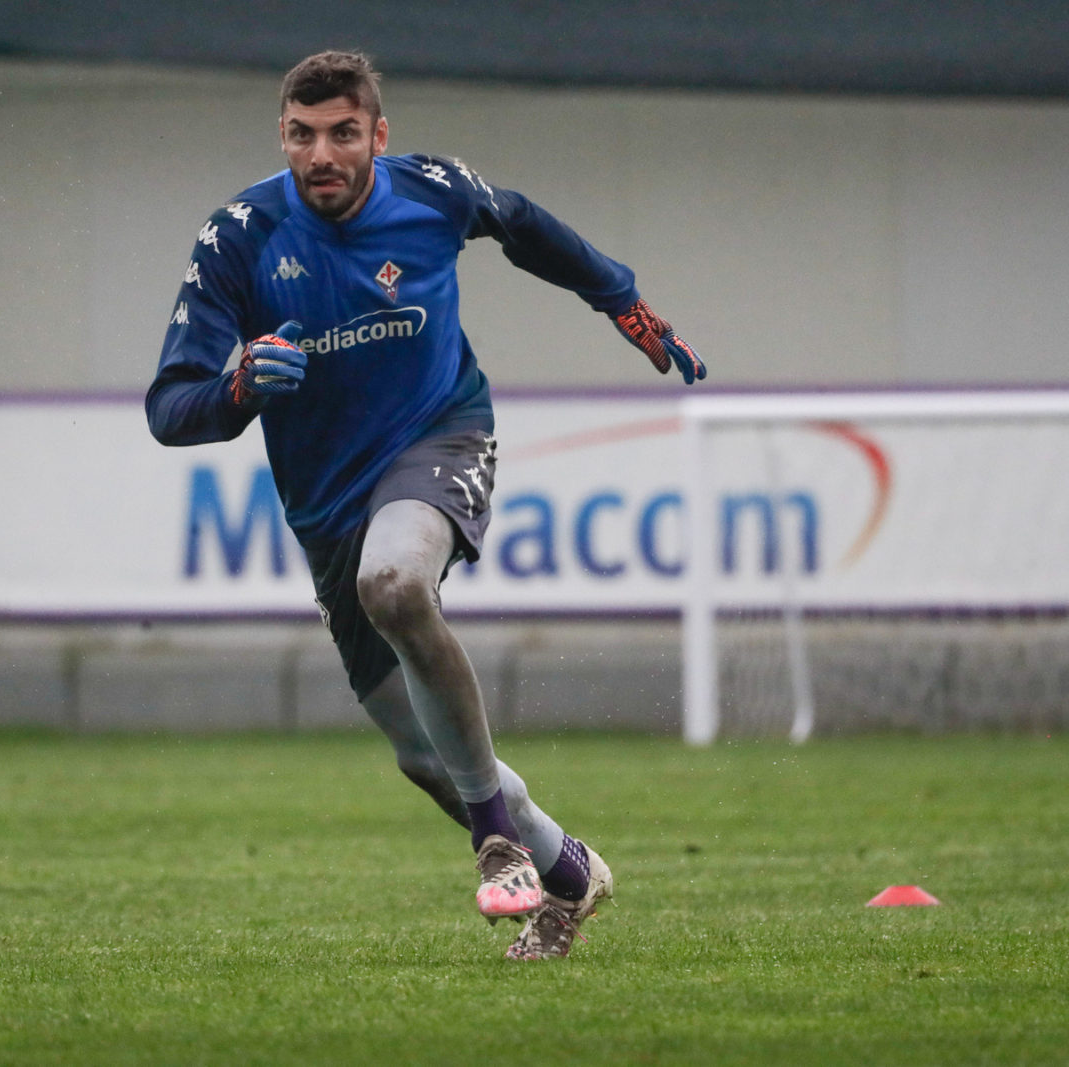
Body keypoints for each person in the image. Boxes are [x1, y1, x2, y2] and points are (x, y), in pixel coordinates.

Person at [146, 50, 706, 961]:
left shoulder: (434, 191)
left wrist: (623, 299)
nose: (321, 153)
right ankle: (567, 873)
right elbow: (170, 409)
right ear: (281, 134)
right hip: (325, 503)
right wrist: (237, 386)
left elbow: (521, 223)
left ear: (378, 134)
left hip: (442, 433)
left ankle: (495, 841)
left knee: (398, 581)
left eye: (342, 133)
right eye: (301, 134)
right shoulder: (239, 237)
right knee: (421, 751)